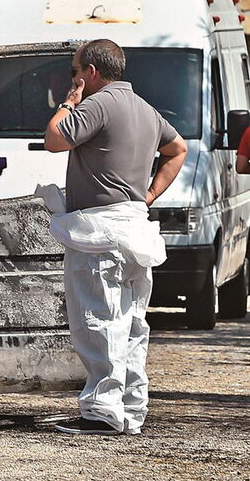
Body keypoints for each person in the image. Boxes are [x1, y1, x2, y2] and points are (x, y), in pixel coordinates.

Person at [44, 39, 187, 436]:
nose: (73, 79)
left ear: (92, 71)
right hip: (135, 226)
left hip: (100, 232)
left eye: (76, 71)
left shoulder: (98, 103)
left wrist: (68, 103)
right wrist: (151, 193)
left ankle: (101, 412)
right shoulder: (144, 108)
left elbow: (55, 139)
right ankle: (129, 407)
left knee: (98, 319)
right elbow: (178, 149)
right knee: (132, 322)